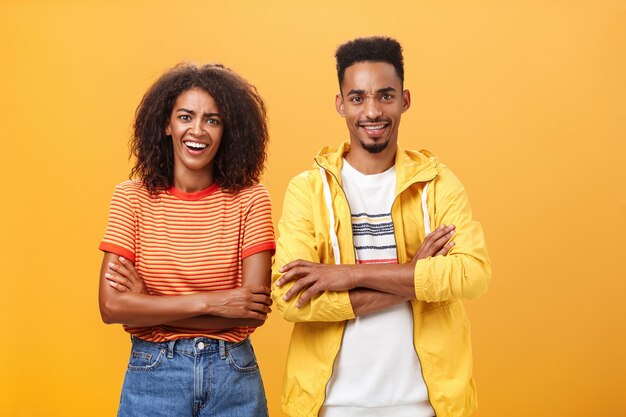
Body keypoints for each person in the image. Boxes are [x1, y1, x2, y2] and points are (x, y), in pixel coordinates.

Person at [272, 37, 492, 417]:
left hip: (425, 404)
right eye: (357, 98)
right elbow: (292, 299)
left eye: (385, 96)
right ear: (340, 104)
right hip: (332, 405)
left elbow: (472, 275)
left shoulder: (438, 183)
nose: (372, 111)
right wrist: (413, 276)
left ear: (404, 100)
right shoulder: (307, 190)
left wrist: (346, 275)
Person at [98, 63, 275, 417]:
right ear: (167, 124)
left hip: (233, 377)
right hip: (153, 375)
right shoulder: (131, 198)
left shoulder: (251, 199)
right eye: (185, 116)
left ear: (228, 130)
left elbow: (251, 311)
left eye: (213, 119)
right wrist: (214, 302)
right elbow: (111, 307)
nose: (198, 130)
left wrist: (148, 305)